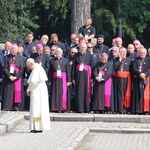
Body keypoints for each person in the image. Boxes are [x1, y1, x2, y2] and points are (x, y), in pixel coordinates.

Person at [26, 58, 51, 133]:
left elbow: (33, 82)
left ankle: (37, 127)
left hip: (37, 91)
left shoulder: (36, 69)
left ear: (31, 63)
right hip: (40, 90)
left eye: (28, 66)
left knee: (36, 108)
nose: (28, 68)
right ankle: (38, 127)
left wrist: (28, 90)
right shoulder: (38, 68)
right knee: (40, 108)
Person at [2, 44, 25, 111]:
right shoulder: (6, 57)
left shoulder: (20, 58)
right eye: (12, 49)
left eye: (15, 50)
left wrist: (16, 77)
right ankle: (8, 106)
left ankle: (17, 107)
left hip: (17, 78)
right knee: (8, 92)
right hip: (8, 78)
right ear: (10, 50)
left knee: (17, 92)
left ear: (17, 50)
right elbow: (5, 68)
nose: (14, 51)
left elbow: (22, 69)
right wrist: (10, 76)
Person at [72, 43, 94, 113]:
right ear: (79, 48)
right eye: (81, 47)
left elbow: (92, 67)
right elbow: (73, 68)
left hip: (87, 76)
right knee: (79, 92)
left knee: (86, 91)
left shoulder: (90, 55)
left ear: (86, 48)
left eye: (84, 47)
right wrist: (73, 78)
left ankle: (86, 108)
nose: (83, 48)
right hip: (78, 76)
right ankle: (79, 108)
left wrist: (92, 78)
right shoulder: (76, 55)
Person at [48, 47, 71, 112]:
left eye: (59, 52)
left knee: (62, 94)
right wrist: (49, 80)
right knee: (54, 93)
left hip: (63, 79)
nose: (58, 53)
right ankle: (54, 108)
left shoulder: (66, 60)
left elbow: (68, 71)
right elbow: (50, 71)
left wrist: (69, 80)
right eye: (57, 52)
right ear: (55, 53)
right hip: (54, 80)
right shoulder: (52, 60)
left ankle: (62, 107)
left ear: (62, 53)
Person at [131, 48, 150, 114]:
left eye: (144, 53)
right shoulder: (136, 60)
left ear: (146, 53)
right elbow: (134, 68)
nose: (142, 54)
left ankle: (145, 110)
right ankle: (137, 110)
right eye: (141, 53)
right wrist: (140, 74)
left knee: (145, 95)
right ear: (139, 53)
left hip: (146, 80)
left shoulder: (148, 60)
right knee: (137, 95)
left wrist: (145, 74)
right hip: (137, 79)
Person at [113, 47, 132, 114]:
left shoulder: (129, 60)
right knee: (118, 94)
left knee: (125, 93)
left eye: (125, 52)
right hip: (118, 79)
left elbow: (131, 70)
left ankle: (125, 109)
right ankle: (119, 109)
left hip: (126, 79)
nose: (124, 53)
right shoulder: (116, 60)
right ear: (119, 53)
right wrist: (120, 60)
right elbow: (114, 68)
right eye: (122, 52)